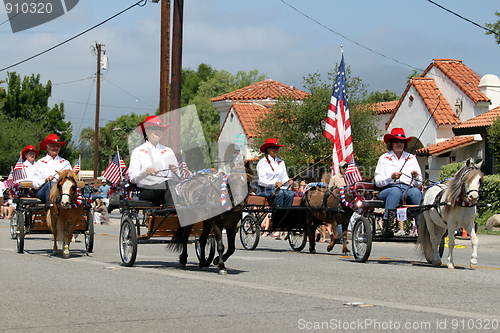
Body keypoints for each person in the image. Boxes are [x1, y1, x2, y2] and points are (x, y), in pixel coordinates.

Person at [374, 128, 423, 236]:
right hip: (388, 189)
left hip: (407, 189)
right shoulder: (384, 158)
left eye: (402, 141)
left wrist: (415, 177)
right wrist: (390, 177)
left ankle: (421, 225)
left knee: (416, 192)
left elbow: (419, 182)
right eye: (396, 141)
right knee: (395, 191)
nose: (399, 144)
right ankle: (387, 224)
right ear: (391, 143)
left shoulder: (411, 158)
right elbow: (378, 181)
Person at [128, 115, 180, 206]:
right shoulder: (138, 151)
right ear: (146, 131)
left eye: (160, 129)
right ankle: (172, 215)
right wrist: (146, 172)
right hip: (147, 191)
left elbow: (177, 178)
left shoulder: (168, 151)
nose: (158, 131)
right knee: (171, 184)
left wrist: (175, 171)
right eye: (154, 128)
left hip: (168, 189)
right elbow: (132, 178)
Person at [255, 138, 295, 207]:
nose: (276, 149)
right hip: (264, 190)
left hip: (279, 190)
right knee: (280, 193)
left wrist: (289, 181)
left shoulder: (281, 162)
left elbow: (284, 178)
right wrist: (274, 183)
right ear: (268, 149)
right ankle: (278, 216)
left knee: (290, 193)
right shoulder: (262, 162)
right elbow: (261, 181)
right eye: (274, 147)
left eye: (277, 148)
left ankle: (287, 214)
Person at [33, 134, 71, 203]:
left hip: (61, 191)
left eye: (58, 145)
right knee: (49, 184)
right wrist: (45, 180)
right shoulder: (40, 162)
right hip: (43, 191)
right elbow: (35, 184)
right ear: (47, 147)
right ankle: (51, 206)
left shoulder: (65, 163)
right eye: (53, 145)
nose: (56, 148)